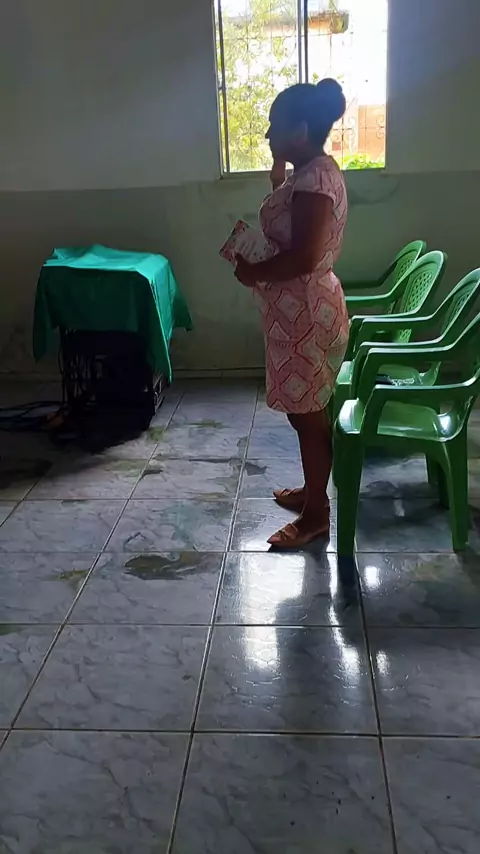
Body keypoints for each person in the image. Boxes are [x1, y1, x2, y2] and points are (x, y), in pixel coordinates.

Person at [235, 78, 350, 549]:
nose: (267, 134)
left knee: (308, 417)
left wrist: (253, 272)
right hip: (297, 314)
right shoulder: (308, 174)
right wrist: (279, 167)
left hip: (306, 317)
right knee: (304, 412)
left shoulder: (316, 180)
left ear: (300, 130)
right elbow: (289, 212)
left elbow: (303, 257)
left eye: (274, 126)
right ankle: (313, 489)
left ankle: (316, 514)